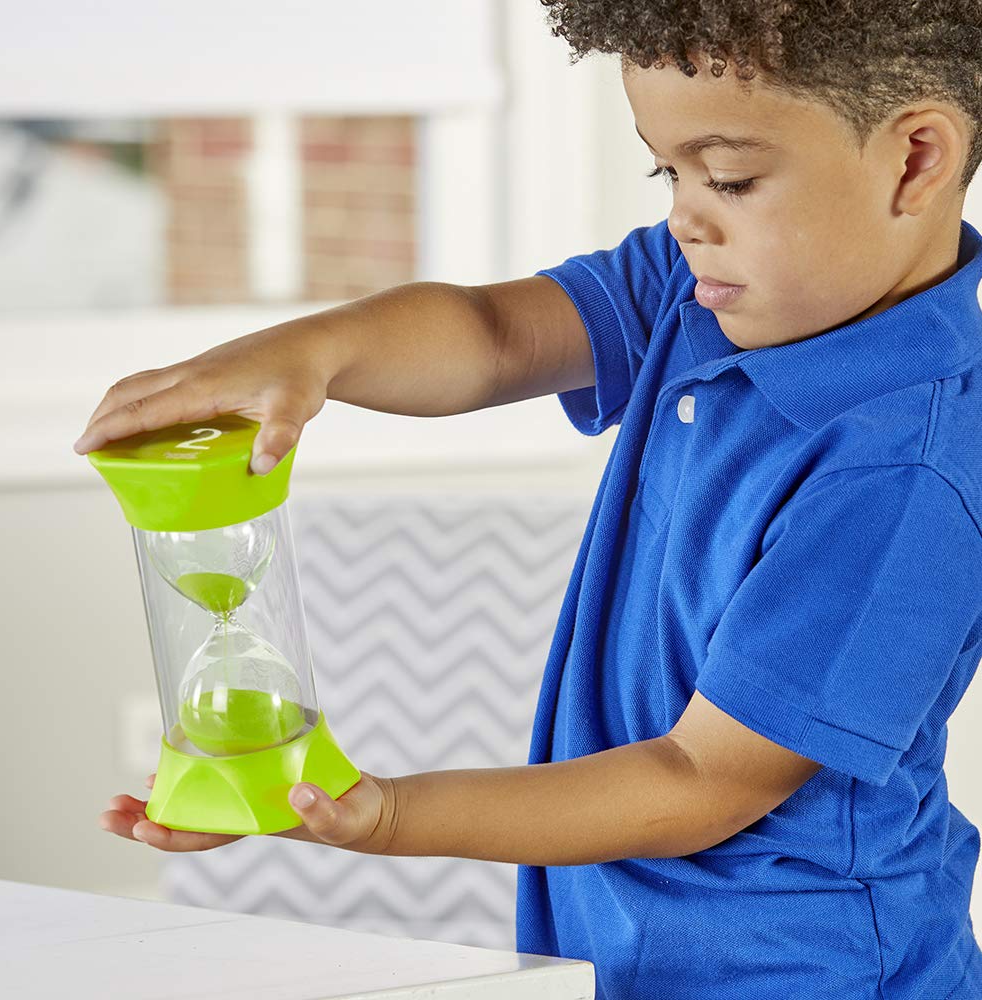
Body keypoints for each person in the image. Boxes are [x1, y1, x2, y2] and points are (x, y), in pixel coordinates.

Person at [85, 2, 982, 996]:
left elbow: (699, 781)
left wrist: (387, 813)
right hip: (616, 950)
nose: (685, 213)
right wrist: (311, 352)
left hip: (798, 974)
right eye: (666, 171)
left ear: (913, 161)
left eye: (727, 176)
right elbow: (492, 335)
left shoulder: (901, 480)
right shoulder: (700, 284)